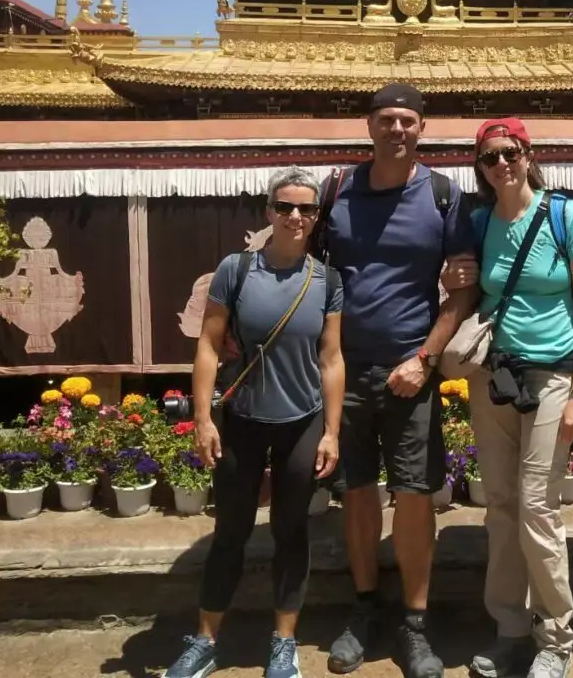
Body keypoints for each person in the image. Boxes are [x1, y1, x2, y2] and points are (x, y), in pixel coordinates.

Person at [323, 83, 479, 678]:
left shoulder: (442, 196)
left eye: (408, 121)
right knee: (357, 491)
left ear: (422, 128)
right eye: (387, 119)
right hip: (343, 370)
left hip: (410, 371)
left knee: (414, 495)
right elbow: (311, 272)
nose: (397, 129)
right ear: (369, 126)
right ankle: (364, 609)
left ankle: (415, 624)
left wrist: (426, 359)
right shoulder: (337, 191)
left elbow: (460, 289)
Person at [166, 166, 345, 678]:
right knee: (231, 531)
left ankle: (283, 643)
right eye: (284, 206)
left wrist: (331, 430)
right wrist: (203, 418)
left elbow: (331, 358)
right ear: (269, 211)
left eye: (305, 209)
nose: (294, 216)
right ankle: (204, 640)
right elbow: (207, 344)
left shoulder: (326, 280)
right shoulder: (236, 270)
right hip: (242, 420)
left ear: (315, 217)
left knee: (291, 533)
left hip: (301, 421)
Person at [464, 118, 573, 678]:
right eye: (490, 157)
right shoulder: (478, 223)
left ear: (528, 155)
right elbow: (466, 288)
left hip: (553, 378)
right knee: (499, 504)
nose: (501, 164)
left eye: (510, 153)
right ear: (481, 167)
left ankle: (556, 636)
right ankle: (509, 628)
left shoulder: (565, 215)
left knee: (537, 505)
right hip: (496, 376)